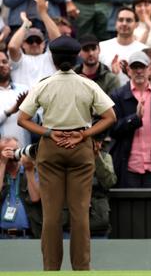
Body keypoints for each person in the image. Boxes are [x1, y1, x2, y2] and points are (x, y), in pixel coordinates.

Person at [17, 35, 116, 270]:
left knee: (51, 214)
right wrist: (84, 135)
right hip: (80, 145)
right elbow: (110, 117)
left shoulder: (44, 84)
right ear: (76, 58)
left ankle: (51, 269)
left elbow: (22, 119)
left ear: (52, 58)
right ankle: (81, 268)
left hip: (51, 146)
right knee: (80, 212)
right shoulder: (88, 84)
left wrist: (49, 133)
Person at [110, 50, 151, 188]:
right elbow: (112, 130)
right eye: (135, 67)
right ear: (128, 70)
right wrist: (135, 119)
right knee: (129, 208)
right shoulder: (117, 95)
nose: (139, 71)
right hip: (128, 165)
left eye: (142, 67)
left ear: (149, 70)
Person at [0, 137, 41, 239]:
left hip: (28, 235)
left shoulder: (32, 170)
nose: (12, 154)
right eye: (7, 151)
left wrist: (29, 170)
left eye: (15, 150)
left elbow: (35, 198)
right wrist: (2, 163)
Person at [98, 7, 148, 85]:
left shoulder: (144, 50)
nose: (124, 23)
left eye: (128, 20)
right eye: (120, 20)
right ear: (116, 23)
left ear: (136, 24)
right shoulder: (102, 47)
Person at [0, 51, 30, 147]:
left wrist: (29, 111)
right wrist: (10, 111)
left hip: (24, 151)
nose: (1, 65)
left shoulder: (24, 89)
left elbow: (37, 120)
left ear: (10, 65)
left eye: (4, 62)